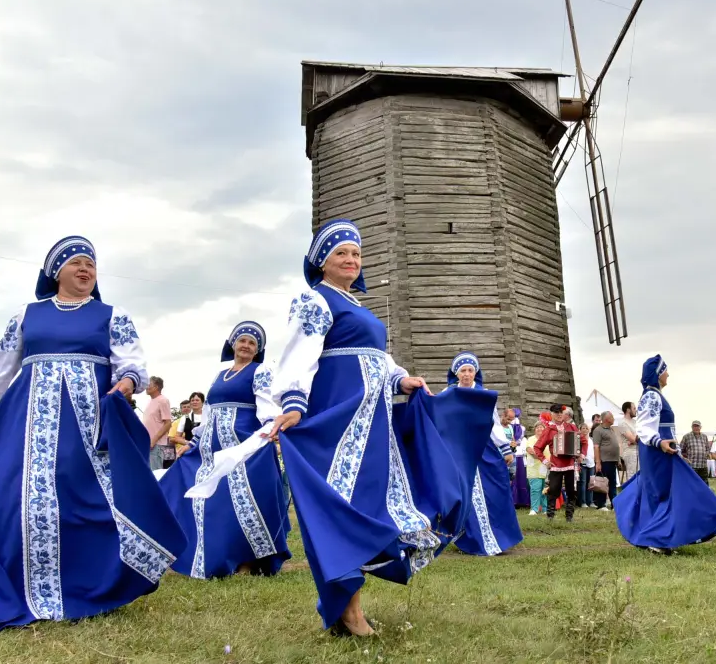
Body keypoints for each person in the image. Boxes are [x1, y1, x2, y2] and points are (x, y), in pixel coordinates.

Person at [194, 218, 493, 637]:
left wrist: (399, 379)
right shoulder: (315, 300)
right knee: (342, 507)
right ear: (322, 262)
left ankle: (346, 604)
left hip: (372, 422)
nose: (351, 259)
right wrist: (295, 404)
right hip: (339, 417)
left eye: (356, 253)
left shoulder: (358, 307)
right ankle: (347, 610)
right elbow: (299, 356)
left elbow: (376, 359)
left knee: (370, 504)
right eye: (341, 254)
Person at [0, 235, 185, 632]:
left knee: (85, 500)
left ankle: (90, 586)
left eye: (91, 263)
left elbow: (132, 364)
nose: (86, 269)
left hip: (86, 423)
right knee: (13, 497)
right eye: (76, 263)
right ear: (55, 272)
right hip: (26, 421)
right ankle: (18, 587)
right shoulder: (27, 314)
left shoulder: (111, 314)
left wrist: (126, 384)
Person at [158, 321, 291, 577]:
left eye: (252, 343)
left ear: (258, 350)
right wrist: (193, 444)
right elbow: (208, 416)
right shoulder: (220, 374)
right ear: (233, 343)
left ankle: (249, 562)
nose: (246, 345)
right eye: (242, 340)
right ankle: (211, 555)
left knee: (247, 504)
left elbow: (266, 407)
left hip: (244, 448)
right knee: (212, 502)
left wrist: (268, 432)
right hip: (212, 449)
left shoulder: (260, 371)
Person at [614, 355, 716, 555]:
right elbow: (643, 428)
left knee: (666, 491)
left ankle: (659, 537)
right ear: (658, 374)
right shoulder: (651, 396)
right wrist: (659, 442)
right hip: (657, 450)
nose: (668, 374)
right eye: (665, 370)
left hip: (663, 449)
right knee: (663, 492)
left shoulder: (656, 395)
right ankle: (657, 539)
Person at [443, 352, 522, 556]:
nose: (467, 374)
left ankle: (500, 535)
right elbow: (440, 419)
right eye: (463, 371)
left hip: (484, 449)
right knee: (465, 493)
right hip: (460, 450)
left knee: (496, 488)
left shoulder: (484, 394)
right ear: (456, 373)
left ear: (476, 372)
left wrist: (504, 448)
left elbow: (494, 423)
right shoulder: (448, 393)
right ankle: (471, 538)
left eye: (470, 370)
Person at [531, 404, 585, 522]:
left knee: (572, 490)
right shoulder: (549, 430)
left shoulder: (571, 427)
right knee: (553, 490)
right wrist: (546, 461)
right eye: (556, 412)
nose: (559, 414)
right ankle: (550, 517)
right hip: (556, 465)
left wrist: (582, 455)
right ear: (552, 415)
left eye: (561, 412)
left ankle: (569, 517)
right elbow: (537, 448)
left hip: (571, 463)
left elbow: (584, 441)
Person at [143, 377, 172, 471]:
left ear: (156, 387)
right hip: (148, 444)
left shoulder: (163, 400)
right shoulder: (150, 402)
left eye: (149, 384)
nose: (146, 387)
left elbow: (168, 423)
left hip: (156, 445)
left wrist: (153, 441)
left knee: (155, 474)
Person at [593, 411, 621, 510]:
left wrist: (618, 460)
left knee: (613, 483)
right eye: (612, 417)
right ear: (606, 419)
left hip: (612, 461)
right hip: (604, 461)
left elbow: (615, 445)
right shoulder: (598, 430)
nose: (613, 418)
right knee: (602, 482)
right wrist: (598, 462)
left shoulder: (611, 429)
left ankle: (615, 504)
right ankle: (601, 504)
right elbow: (596, 447)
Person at [617, 401, 638, 483]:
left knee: (640, 477)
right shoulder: (622, 423)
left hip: (638, 451)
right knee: (632, 477)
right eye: (634, 408)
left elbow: (640, 436)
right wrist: (634, 439)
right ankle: (632, 495)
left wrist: (635, 439)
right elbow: (633, 438)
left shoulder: (635, 422)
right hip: (630, 453)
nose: (636, 410)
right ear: (628, 410)